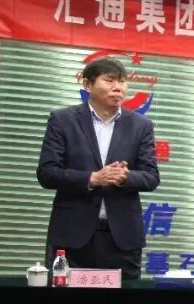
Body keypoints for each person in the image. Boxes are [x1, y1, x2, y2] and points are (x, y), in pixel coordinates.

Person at [35, 56, 160, 279]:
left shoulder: (141, 126)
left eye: (122, 82)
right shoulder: (63, 120)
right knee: (67, 300)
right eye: (109, 80)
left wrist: (125, 177)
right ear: (88, 84)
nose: (118, 88)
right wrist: (92, 178)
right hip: (72, 238)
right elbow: (47, 173)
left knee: (122, 301)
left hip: (122, 239)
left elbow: (151, 177)